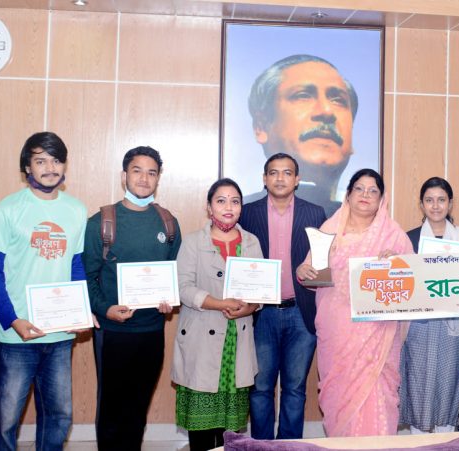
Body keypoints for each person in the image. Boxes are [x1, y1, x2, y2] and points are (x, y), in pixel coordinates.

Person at [0, 132, 89, 451]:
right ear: (27, 167)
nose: (50, 168)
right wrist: (12, 320)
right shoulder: (7, 209)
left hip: (59, 335)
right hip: (17, 336)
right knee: (6, 420)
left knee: (59, 416)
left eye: (56, 160)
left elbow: (76, 266)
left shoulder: (76, 210)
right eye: (40, 161)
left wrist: (81, 312)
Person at [295, 168, 413, 437]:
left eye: (373, 191)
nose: (365, 195)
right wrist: (303, 271)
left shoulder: (394, 235)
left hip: (377, 332)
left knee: (377, 391)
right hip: (337, 329)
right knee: (339, 392)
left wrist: (397, 262)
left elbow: (411, 281)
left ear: (381, 199)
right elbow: (310, 270)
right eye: (359, 188)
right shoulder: (329, 230)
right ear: (348, 194)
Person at [83, 146, 181, 450]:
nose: (144, 178)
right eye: (137, 171)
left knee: (138, 408)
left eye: (152, 172)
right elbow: (86, 278)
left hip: (152, 330)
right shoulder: (101, 222)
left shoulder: (168, 223)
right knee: (111, 409)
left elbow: (173, 274)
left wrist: (169, 300)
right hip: (113, 331)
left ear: (158, 178)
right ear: (124, 175)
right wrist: (105, 309)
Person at [239, 153, 327, 440]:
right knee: (260, 388)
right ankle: (262, 445)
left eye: (287, 173)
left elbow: (325, 263)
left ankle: (288, 445)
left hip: (301, 312)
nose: (280, 178)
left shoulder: (315, 214)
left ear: (297, 179)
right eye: (273, 172)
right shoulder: (247, 213)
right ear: (264, 179)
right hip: (260, 314)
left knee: (295, 388)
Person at [173, 178, 261, 451]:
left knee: (230, 432)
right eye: (221, 201)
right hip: (201, 338)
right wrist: (219, 303)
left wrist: (250, 307)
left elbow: (261, 290)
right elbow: (183, 288)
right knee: (201, 428)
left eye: (235, 201)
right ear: (209, 207)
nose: (228, 207)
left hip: (237, 340)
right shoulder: (192, 242)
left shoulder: (251, 242)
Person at [248, 54, 359, 216]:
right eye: (303, 96)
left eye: (338, 100)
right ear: (261, 127)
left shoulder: (372, 226)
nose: (327, 111)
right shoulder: (240, 219)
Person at [399, 177, 459, 434]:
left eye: (441, 200)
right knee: (419, 384)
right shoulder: (409, 239)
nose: (435, 206)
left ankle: (446, 441)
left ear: (450, 203)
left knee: (448, 384)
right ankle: (418, 441)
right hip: (419, 327)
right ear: (421, 204)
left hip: (453, 327)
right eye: (429, 200)